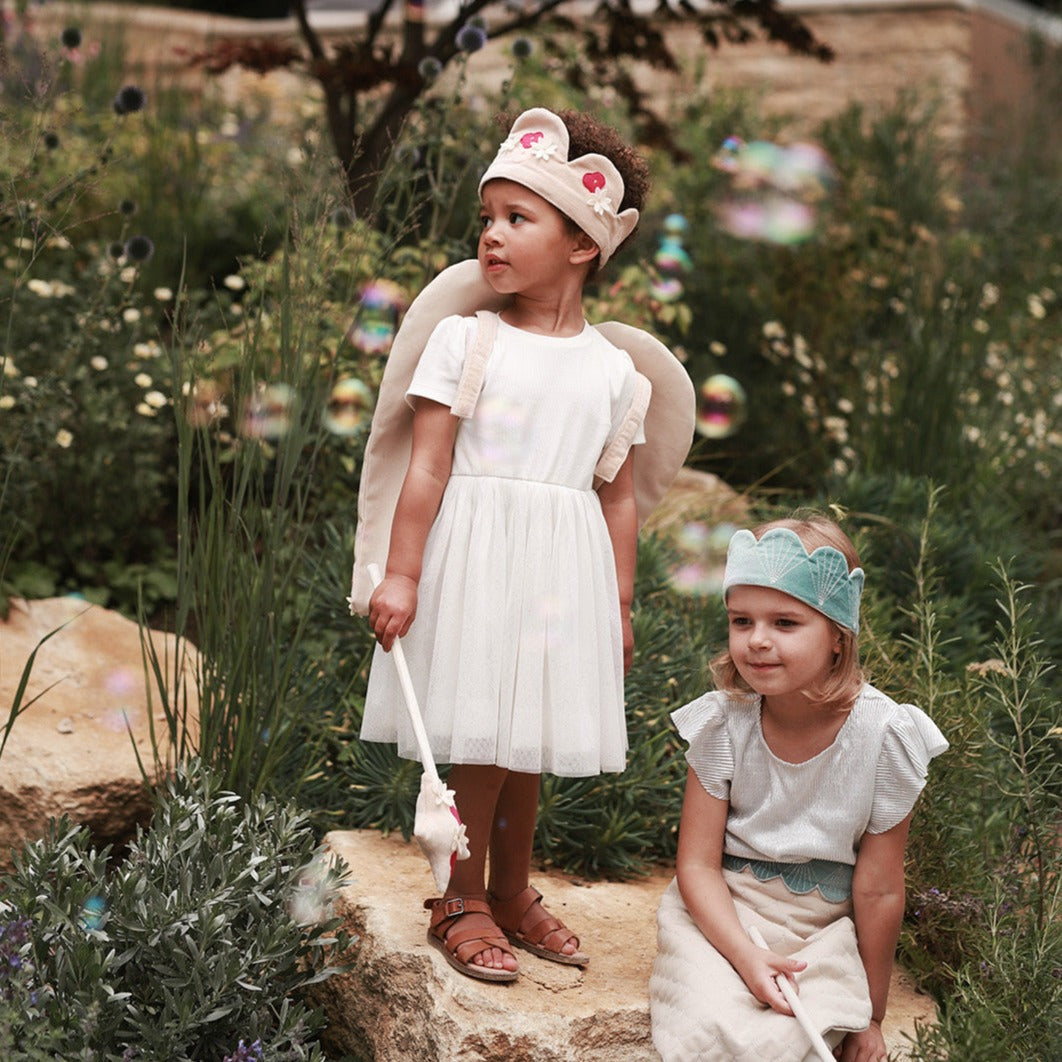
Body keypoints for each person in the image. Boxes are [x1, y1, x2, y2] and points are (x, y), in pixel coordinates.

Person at [353, 107, 693, 983]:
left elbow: (616, 497)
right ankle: (457, 895)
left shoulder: (616, 372)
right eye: (486, 219)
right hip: (477, 562)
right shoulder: (467, 341)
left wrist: (617, 602)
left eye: (517, 219)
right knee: (484, 746)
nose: (491, 237)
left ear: (582, 245)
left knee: (527, 741)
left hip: (560, 568)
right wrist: (398, 572)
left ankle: (510, 887)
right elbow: (426, 469)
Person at [650, 515, 948, 1061]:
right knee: (706, 1025)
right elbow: (695, 866)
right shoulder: (724, 724)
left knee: (798, 1035)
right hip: (723, 916)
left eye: (785, 623)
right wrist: (744, 956)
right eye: (742, 621)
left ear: (838, 635)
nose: (757, 641)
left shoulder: (885, 738)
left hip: (824, 929)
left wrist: (871, 1015)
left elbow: (879, 888)